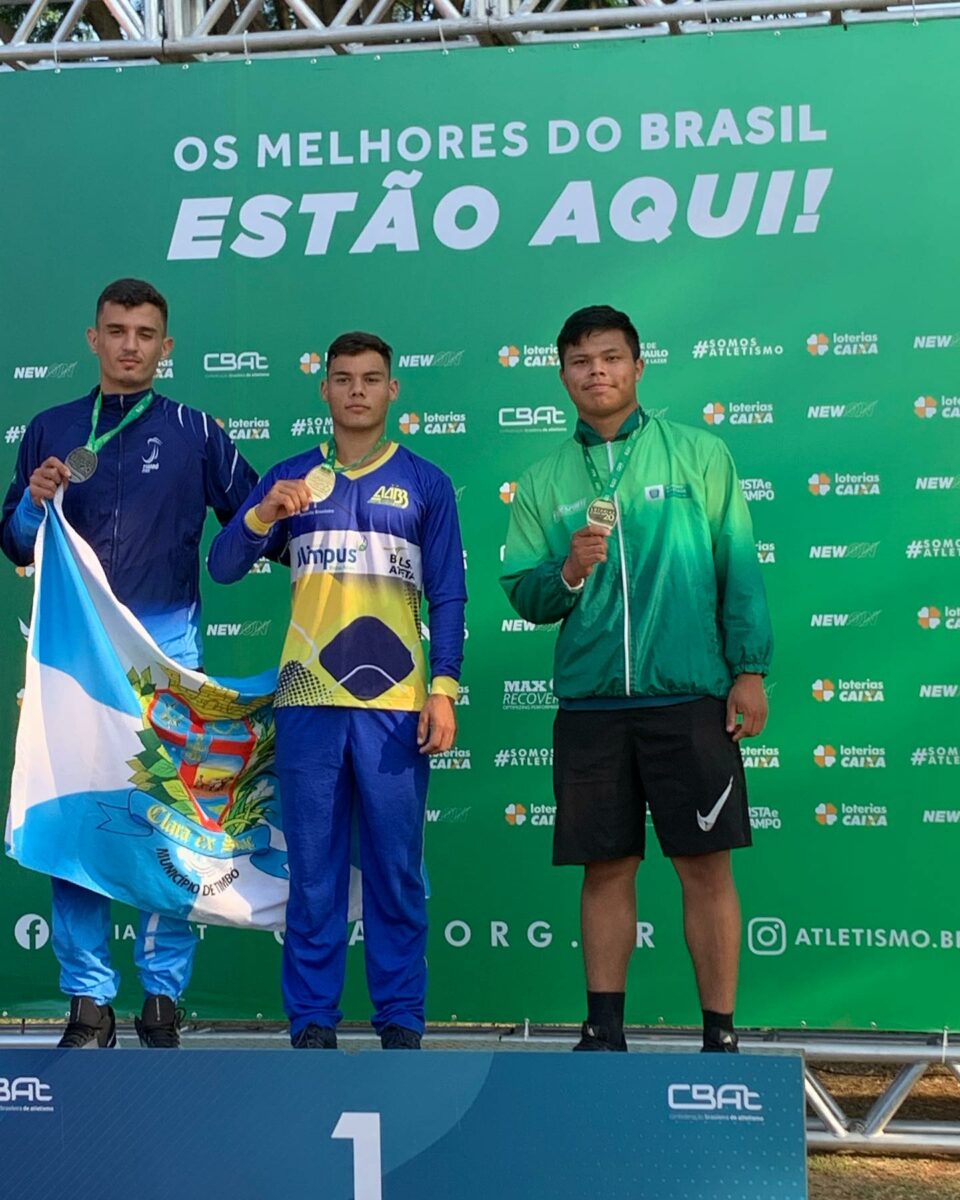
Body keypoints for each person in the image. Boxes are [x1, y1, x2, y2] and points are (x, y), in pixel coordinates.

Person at [500, 305, 773, 1054]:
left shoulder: (700, 454)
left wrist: (748, 670)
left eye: (611, 357)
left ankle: (720, 1033)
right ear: (563, 376)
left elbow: (737, 567)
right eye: (582, 361)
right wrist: (567, 571)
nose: (597, 372)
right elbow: (525, 594)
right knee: (605, 868)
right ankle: (604, 1030)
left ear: (638, 366)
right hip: (592, 707)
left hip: (690, 698)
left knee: (705, 868)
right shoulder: (543, 478)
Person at [0, 278, 258, 1048]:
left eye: (146, 333)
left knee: (173, 832)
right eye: (117, 331)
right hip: (75, 665)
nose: (131, 345)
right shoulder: (50, 427)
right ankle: (88, 1001)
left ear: (166, 346)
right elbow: (16, 542)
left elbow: (245, 534)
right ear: (93, 339)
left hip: (164, 657)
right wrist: (34, 501)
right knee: (79, 820)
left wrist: (279, 515)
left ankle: (161, 999)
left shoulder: (197, 431)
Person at [208, 330, 466, 1049]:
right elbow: (222, 564)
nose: (357, 390)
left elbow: (448, 595)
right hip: (308, 702)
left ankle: (401, 1022)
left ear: (393, 391)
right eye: (343, 378)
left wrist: (443, 689)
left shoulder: (426, 482)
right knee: (314, 877)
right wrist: (262, 515)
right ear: (323, 390)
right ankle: (313, 1024)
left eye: (371, 378)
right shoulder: (292, 477)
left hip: (396, 710)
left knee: (394, 873)